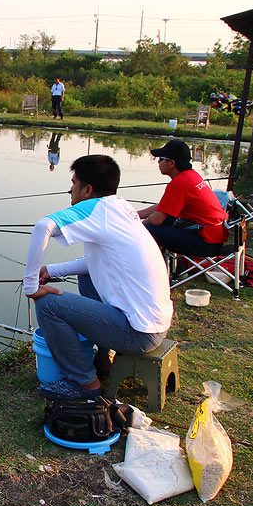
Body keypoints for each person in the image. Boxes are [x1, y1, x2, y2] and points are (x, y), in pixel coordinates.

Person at [24, 155, 172, 401]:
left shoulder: (95, 208)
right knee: (87, 277)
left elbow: (43, 227)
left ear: (87, 189)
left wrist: (31, 286)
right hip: (154, 324)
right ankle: (103, 358)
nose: (71, 189)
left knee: (48, 304)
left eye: (74, 183)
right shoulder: (119, 207)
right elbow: (95, 264)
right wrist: (51, 271)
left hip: (138, 333)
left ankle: (85, 384)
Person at [138, 139, 228, 257]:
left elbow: (156, 220)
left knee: (150, 229)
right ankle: (176, 268)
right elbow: (163, 208)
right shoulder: (191, 175)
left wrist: (137, 228)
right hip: (214, 237)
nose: (158, 163)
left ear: (172, 163)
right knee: (166, 220)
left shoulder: (179, 183)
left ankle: (176, 269)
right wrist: (135, 215)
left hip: (206, 243)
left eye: (161, 159)